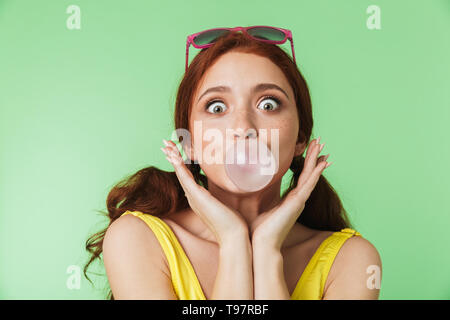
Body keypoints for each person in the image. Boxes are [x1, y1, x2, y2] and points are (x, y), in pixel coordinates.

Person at [84, 27, 382, 300]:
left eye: (268, 104)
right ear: (189, 144)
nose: (243, 127)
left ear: (300, 139)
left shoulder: (352, 260)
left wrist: (266, 251)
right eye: (216, 106)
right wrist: (233, 240)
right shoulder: (136, 239)